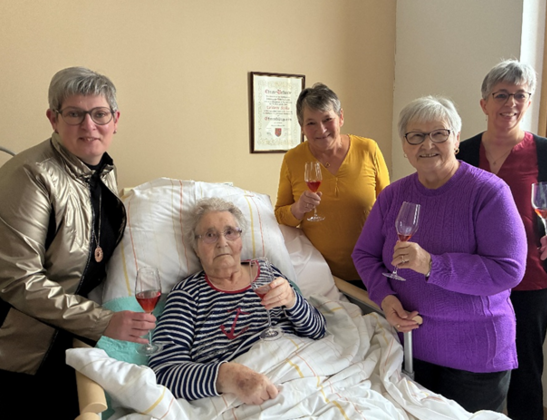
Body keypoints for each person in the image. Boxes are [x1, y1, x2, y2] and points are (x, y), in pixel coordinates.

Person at [0, 67, 156, 419]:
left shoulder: (100, 170)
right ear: (53, 119)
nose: (89, 126)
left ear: (115, 120)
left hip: (71, 335)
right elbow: (20, 282)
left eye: (99, 114)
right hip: (20, 348)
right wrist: (103, 321)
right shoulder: (29, 177)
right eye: (75, 114)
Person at [352, 96, 527, 413]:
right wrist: (385, 298)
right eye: (415, 136)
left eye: (439, 134)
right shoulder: (393, 195)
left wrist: (432, 265)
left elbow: (508, 269)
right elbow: (364, 254)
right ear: (404, 146)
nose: (427, 144)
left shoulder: (488, 192)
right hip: (409, 348)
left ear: (456, 140)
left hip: (475, 358)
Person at [457, 60, 547, 420]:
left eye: (520, 95)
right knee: (473, 367)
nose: (511, 103)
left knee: (525, 371)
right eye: (501, 95)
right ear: (484, 103)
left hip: (531, 279)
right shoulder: (463, 153)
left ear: (530, 101)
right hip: (475, 279)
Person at [149, 197, 326, 404]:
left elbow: (318, 330)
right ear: (196, 248)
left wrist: (293, 301)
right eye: (210, 235)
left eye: (230, 232)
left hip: (306, 377)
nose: (222, 242)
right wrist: (230, 377)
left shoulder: (267, 273)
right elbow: (163, 372)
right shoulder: (187, 295)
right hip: (245, 398)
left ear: (241, 241)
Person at [275, 83, 390, 283]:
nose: (321, 129)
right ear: (301, 127)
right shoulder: (292, 159)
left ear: (341, 117)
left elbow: (389, 208)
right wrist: (298, 208)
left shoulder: (368, 149)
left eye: (328, 119)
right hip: (319, 275)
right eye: (311, 123)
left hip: (370, 268)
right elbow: (280, 215)